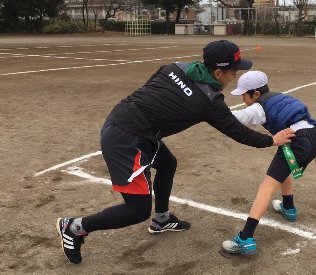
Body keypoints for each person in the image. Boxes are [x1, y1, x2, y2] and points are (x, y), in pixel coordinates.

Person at [56, 40, 295, 264]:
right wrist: (271, 140)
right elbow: (237, 132)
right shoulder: (209, 101)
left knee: (168, 163)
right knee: (137, 210)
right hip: (127, 139)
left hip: (130, 123)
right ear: (218, 73)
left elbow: (150, 88)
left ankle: (161, 219)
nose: (235, 76)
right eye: (234, 72)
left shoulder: (176, 67)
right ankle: (75, 227)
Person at [222, 71, 316, 255]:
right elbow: (311, 123)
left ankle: (246, 237)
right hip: (312, 140)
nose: (244, 100)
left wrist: (213, 112)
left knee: (267, 187)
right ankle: (288, 207)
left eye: (245, 96)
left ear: (255, 94)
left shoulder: (259, 107)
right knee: (283, 171)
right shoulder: (284, 98)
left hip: (296, 141)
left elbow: (238, 118)